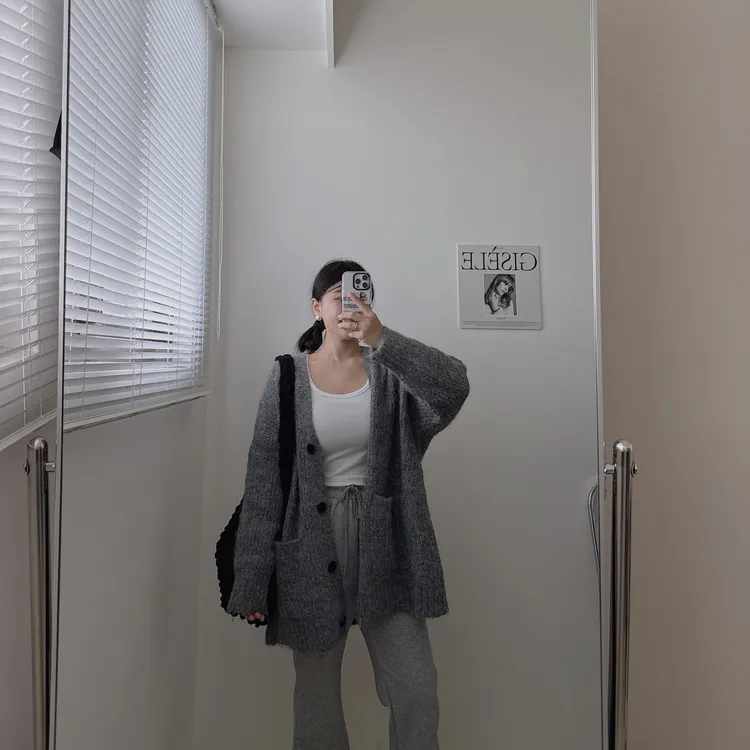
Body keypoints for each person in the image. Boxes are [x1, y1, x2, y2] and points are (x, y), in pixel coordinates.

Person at [227, 259, 470, 750]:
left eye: (359, 294)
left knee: (416, 691)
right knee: (316, 700)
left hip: (388, 540)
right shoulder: (287, 377)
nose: (349, 303)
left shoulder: (391, 375)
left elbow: (454, 386)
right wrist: (251, 580)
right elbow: (264, 481)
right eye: (337, 295)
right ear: (316, 307)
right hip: (311, 544)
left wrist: (383, 339)